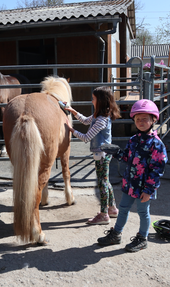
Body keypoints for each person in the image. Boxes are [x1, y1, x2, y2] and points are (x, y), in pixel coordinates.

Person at [97, 99, 168, 252]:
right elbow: (128, 158)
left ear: (153, 119)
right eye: (137, 119)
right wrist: (117, 152)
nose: (141, 122)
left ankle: (142, 238)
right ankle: (116, 234)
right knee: (123, 208)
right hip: (130, 184)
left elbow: (157, 170)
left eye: (145, 119)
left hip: (145, 187)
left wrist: (149, 190)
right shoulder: (133, 140)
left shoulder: (157, 144)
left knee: (143, 212)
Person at [64, 86, 121, 225]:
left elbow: (86, 137)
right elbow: (85, 120)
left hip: (102, 155)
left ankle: (103, 214)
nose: (91, 101)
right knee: (105, 181)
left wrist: (70, 130)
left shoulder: (102, 119)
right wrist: (72, 111)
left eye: (93, 98)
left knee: (102, 183)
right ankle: (112, 208)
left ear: (100, 101)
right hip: (102, 153)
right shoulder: (98, 115)